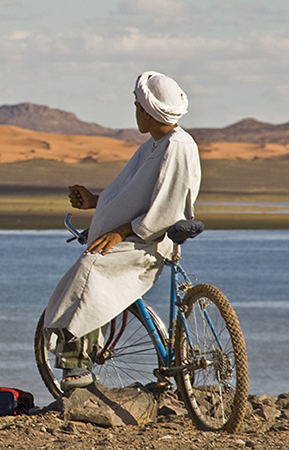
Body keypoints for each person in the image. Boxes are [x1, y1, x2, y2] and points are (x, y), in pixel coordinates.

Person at [43, 71, 201, 390]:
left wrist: (121, 230)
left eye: (136, 105)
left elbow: (166, 210)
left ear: (147, 111)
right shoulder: (154, 146)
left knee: (90, 271)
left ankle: (76, 366)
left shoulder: (178, 147)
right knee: (91, 268)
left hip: (149, 241)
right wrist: (95, 202)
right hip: (135, 236)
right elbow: (133, 195)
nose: (135, 112)